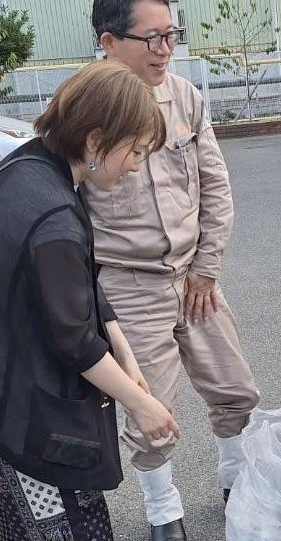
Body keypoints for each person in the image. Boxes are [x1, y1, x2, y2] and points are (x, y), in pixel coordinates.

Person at [81, 0, 260, 541]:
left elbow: (215, 185)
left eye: (171, 36)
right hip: (129, 284)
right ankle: (164, 514)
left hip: (194, 277)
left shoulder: (186, 97)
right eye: (150, 39)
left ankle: (234, 482)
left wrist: (208, 266)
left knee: (234, 388)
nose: (165, 50)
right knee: (150, 411)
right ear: (108, 41)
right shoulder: (85, 111)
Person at [0, 61, 181, 541]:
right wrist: (142, 404)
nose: (138, 165)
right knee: (66, 527)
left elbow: (81, 282)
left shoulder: (32, 167)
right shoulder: (55, 214)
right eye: (137, 151)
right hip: (32, 416)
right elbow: (73, 338)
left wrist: (123, 348)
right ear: (97, 140)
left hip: (15, 387)